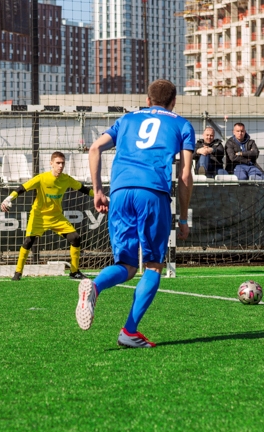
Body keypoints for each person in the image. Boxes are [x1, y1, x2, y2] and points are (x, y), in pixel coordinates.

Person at [78, 79, 195, 349]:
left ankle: (94, 287)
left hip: (120, 191)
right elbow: (185, 175)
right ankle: (129, 331)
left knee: (128, 266)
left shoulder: (127, 119)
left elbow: (94, 149)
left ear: (147, 100)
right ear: (173, 102)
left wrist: (98, 191)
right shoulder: (182, 125)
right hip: (152, 192)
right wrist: (183, 217)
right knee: (153, 265)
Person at [1, 152, 93, 281]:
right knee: (28, 241)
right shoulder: (42, 178)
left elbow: (83, 189)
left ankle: (74, 272)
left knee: (75, 238)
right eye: (58, 163)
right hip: (39, 216)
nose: (60, 166)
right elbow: (22, 188)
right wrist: (9, 198)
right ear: (51, 163)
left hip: (56, 217)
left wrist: (100, 197)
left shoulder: (66, 179)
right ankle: (18, 273)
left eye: (62, 163)